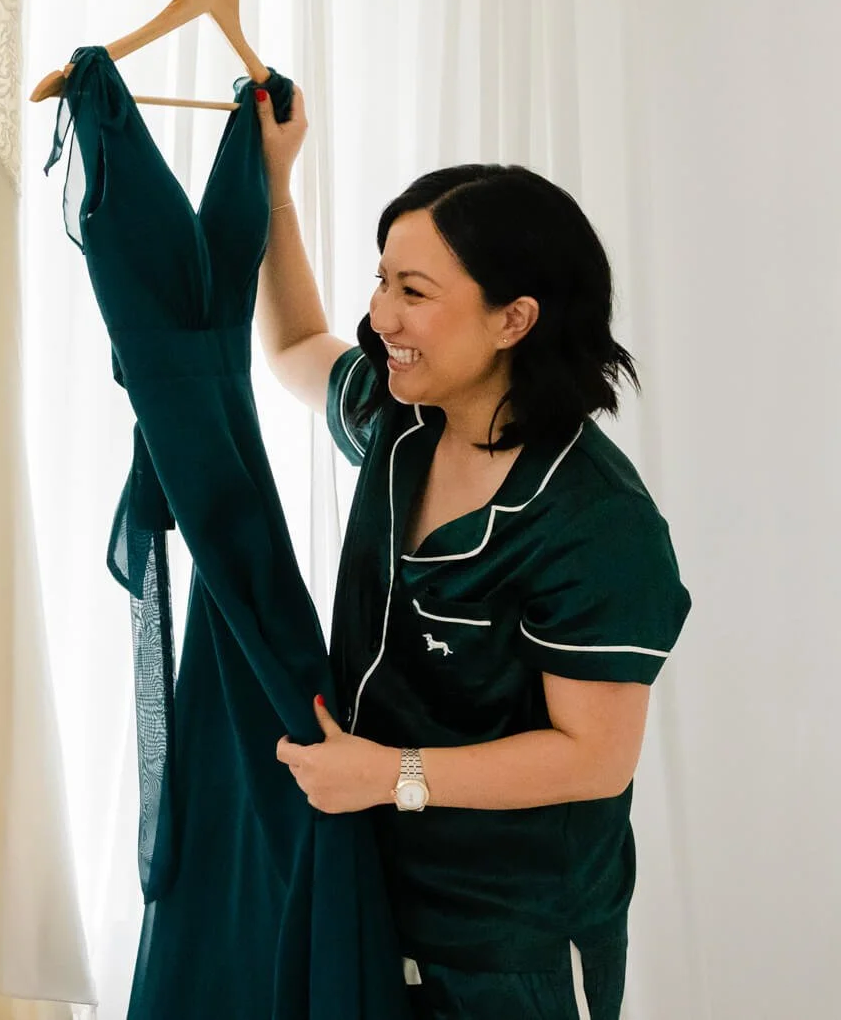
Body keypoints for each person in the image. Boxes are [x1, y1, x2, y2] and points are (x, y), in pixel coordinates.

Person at [253, 87, 691, 1020]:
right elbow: (294, 341)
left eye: (413, 292)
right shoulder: (400, 423)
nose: (379, 317)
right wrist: (273, 185)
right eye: (381, 281)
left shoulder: (593, 521)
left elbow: (593, 757)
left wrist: (389, 773)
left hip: (511, 941)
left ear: (513, 319)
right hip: (372, 898)